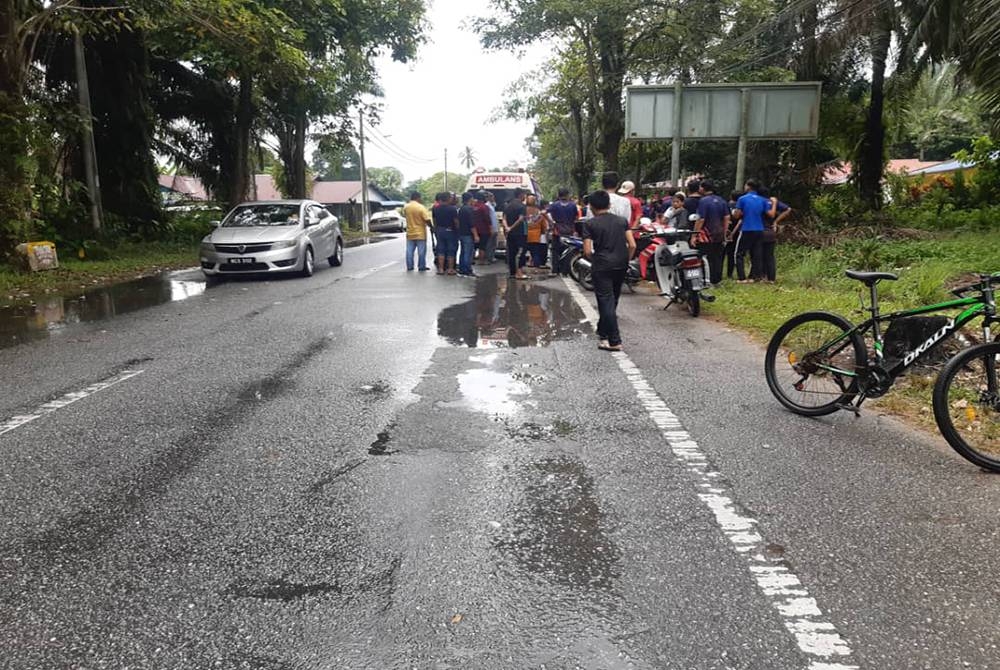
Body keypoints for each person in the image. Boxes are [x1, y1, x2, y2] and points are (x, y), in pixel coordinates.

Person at [583, 189, 635, 352]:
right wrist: (627, 259)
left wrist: (596, 260)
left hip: (602, 265)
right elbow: (632, 245)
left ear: (591, 206)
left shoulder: (590, 224)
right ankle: (602, 331)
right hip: (621, 264)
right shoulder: (621, 221)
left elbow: (587, 251)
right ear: (609, 204)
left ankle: (614, 340)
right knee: (613, 299)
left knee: (605, 301)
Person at [692, 179, 730, 286]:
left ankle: (706, 280)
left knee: (705, 257)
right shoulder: (722, 200)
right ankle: (717, 280)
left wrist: (694, 235)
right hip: (719, 233)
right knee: (718, 257)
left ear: (703, 188)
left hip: (706, 235)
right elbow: (727, 217)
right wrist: (725, 232)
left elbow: (701, 219)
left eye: (700, 187)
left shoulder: (703, 201)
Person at [732, 179, 769, 283]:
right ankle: (755, 276)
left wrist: (736, 213)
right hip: (759, 228)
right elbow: (767, 213)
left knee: (739, 254)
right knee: (756, 254)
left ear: (748, 187)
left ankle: (742, 277)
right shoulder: (763, 200)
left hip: (746, 228)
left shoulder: (742, 199)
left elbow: (737, 215)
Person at [759, 187, 792, 283]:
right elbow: (788, 209)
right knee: (769, 256)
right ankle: (771, 278)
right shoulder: (772, 201)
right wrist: (776, 222)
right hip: (771, 231)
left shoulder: (759, 201)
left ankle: (762, 276)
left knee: (760, 255)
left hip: (760, 230)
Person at [547, 187, 578, 275]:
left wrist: (552, 223)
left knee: (555, 250)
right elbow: (576, 218)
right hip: (569, 230)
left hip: (557, 230)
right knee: (568, 250)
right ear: (567, 195)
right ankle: (565, 270)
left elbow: (543, 212)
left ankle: (555, 270)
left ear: (558, 195)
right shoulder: (573, 205)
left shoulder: (554, 205)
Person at [403, 191, 433, 271]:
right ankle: (421, 266)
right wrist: (431, 227)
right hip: (420, 233)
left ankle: (410, 266)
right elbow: (427, 219)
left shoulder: (406, 207)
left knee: (409, 251)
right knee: (421, 252)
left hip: (410, 232)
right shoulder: (421, 207)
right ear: (418, 198)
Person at [431, 191, 459, 275]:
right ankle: (450, 269)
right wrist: (457, 230)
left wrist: (436, 229)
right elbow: (456, 222)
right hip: (450, 231)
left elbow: (434, 220)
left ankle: (440, 269)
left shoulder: (435, 208)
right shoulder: (452, 209)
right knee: (451, 250)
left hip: (439, 230)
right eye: (450, 197)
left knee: (441, 250)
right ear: (447, 198)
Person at [503, 189, 528, 280]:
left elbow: (504, 218)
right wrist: (512, 227)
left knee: (511, 252)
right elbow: (521, 219)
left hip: (510, 233)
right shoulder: (522, 206)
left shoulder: (507, 206)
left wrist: (507, 228)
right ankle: (519, 272)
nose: (525, 197)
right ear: (521, 195)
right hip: (520, 233)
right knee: (520, 252)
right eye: (524, 195)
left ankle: (512, 272)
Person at [524, 194, 550, 270]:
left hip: (525, 234)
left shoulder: (523, 210)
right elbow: (543, 225)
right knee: (535, 252)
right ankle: (536, 267)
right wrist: (544, 231)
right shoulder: (538, 212)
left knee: (523, 252)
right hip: (536, 235)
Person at [457, 192, 480, 277]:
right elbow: (472, 224)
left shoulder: (461, 209)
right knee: (468, 252)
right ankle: (468, 270)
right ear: (470, 199)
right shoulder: (469, 209)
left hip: (462, 233)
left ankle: (462, 269)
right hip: (468, 234)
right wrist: (476, 235)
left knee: (463, 252)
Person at [472, 191, 493, 265]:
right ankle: (481, 261)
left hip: (474, 229)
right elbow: (487, 219)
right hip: (484, 230)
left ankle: (471, 259)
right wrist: (491, 228)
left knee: (474, 246)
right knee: (482, 246)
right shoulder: (484, 207)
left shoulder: (473, 206)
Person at [724, 191, 741, 280]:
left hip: (725, 230)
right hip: (736, 232)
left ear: (731, 197)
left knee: (722, 253)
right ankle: (730, 274)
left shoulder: (726, 205)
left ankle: (718, 272)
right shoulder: (740, 207)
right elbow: (739, 221)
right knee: (732, 253)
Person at [483, 192, 499, 264]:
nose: (493, 198)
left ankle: (492, 257)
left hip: (495, 228)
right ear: (488, 198)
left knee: (494, 244)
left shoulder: (492, 205)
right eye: (491, 196)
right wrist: (490, 228)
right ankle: (488, 258)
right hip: (491, 228)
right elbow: (488, 218)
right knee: (489, 244)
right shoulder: (487, 206)